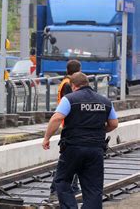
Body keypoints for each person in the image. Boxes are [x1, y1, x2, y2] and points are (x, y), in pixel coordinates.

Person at [42, 72, 118, 208]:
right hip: (96, 149)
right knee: (93, 188)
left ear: (73, 85)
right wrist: (99, 131)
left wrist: (47, 138)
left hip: (73, 147)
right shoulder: (105, 101)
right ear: (87, 84)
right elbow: (113, 124)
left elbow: (56, 118)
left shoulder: (69, 99)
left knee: (62, 180)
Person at [49, 60, 82, 200]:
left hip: (68, 124)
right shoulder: (69, 85)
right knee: (68, 160)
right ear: (77, 71)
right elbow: (72, 104)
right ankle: (56, 189)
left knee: (72, 159)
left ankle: (73, 186)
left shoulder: (65, 82)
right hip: (70, 126)